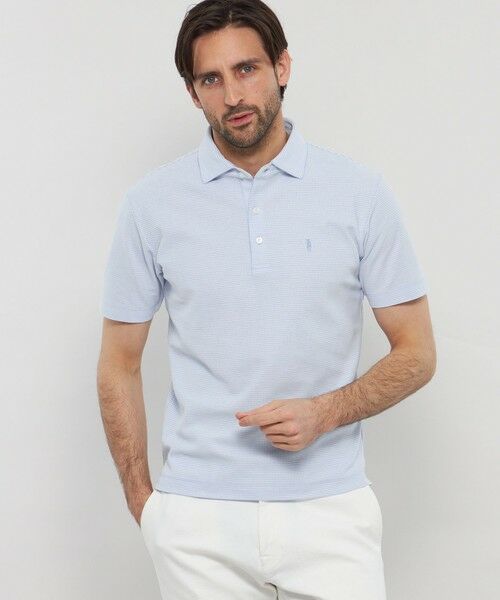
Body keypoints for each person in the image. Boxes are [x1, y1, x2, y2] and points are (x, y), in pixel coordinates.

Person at [97, 1, 436, 598]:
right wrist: (146, 506)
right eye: (211, 79)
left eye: (247, 69)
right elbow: (118, 363)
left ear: (282, 67)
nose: (233, 95)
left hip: (330, 509)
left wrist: (326, 412)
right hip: (198, 517)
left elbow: (418, 352)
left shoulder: (358, 194)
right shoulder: (151, 205)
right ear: (192, 92)